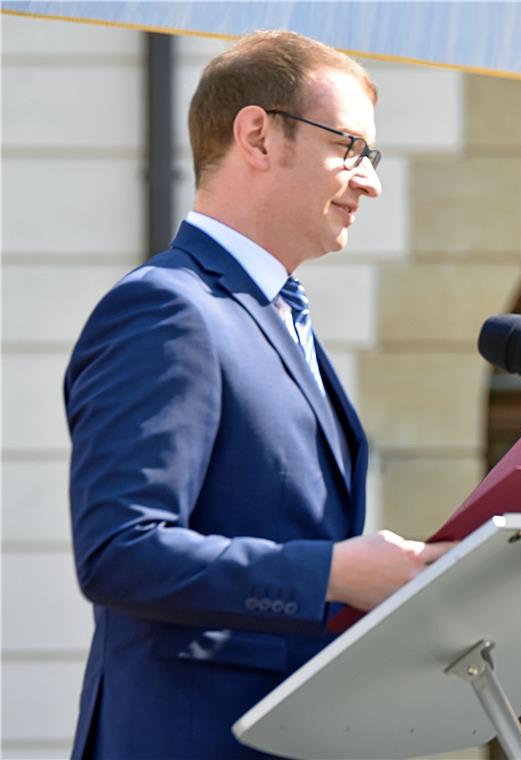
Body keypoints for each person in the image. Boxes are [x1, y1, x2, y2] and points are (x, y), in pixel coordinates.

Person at [64, 30, 452, 759]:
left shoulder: (277, 314)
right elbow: (120, 550)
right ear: (257, 135)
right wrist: (335, 573)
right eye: (351, 148)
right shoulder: (168, 309)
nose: (369, 182)